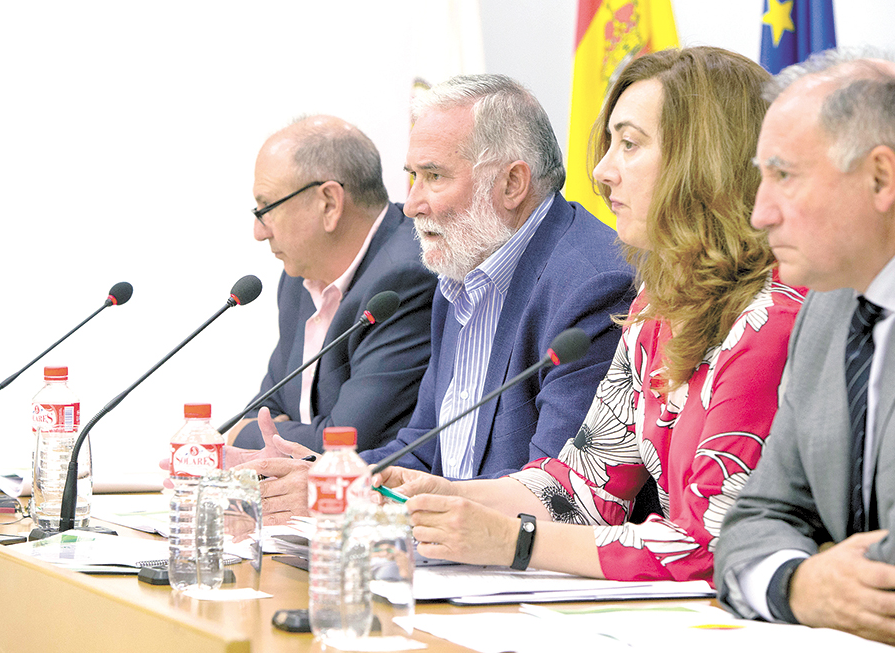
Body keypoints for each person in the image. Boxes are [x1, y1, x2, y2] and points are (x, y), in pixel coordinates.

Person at [374, 47, 804, 584]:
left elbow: (710, 545)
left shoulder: (770, 317)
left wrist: (512, 540)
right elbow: (581, 488)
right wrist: (448, 497)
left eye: (629, 144)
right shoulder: (657, 308)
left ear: (703, 161)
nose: (601, 172)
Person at [236, 74, 635, 525]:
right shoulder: (459, 275)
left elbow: (556, 497)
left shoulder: (592, 285)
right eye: (413, 177)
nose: (411, 204)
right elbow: (423, 451)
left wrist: (351, 496)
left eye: (434, 176)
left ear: (512, 184)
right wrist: (322, 476)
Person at [713, 49, 895, 648]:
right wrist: (799, 584)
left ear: (880, 178)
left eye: (784, 176)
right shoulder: (829, 307)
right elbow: (752, 520)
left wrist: (806, 574)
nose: (759, 213)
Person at [230, 116, 437, 453]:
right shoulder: (300, 278)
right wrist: (273, 432)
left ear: (329, 203)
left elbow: (345, 445)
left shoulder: (404, 281)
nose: (259, 231)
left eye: (267, 208)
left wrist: (244, 435)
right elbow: (265, 411)